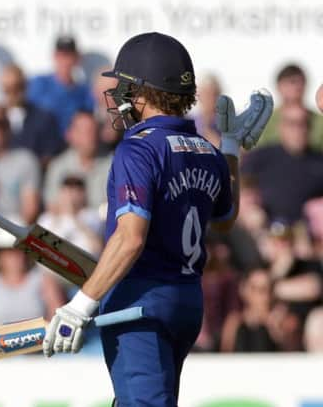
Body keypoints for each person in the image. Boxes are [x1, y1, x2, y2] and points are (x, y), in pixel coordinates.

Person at [37, 32, 273, 406]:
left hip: (139, 305)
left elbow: (130, 238)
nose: (119, 97)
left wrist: (79, 306)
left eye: (126, 87)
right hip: (186, 303)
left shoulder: (138, 148)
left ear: (145, 93)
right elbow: (226, 219)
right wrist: (230, 147)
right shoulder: (207, 151)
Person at [26, 34, 95, 135]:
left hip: (72, 145)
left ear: (77, 58)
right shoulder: (39, 83)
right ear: (54, 56)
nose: (65, 61)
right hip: (42, 142)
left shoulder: (84, 91)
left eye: (69, 55)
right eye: (61, 55)